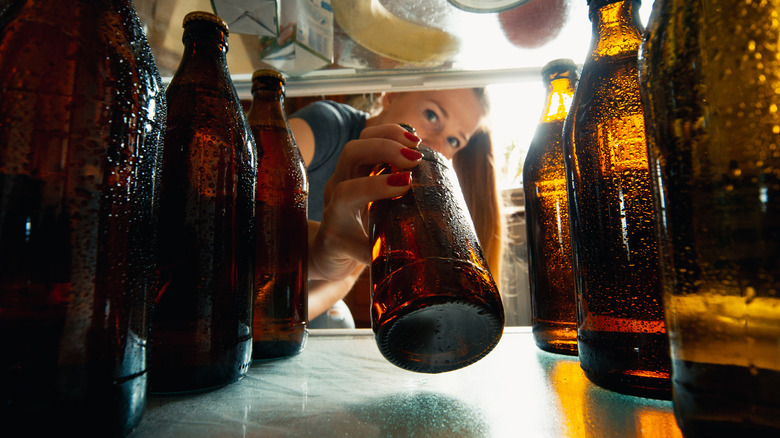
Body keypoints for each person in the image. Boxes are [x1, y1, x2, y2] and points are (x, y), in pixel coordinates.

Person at [290, 89, 505, 328]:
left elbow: (345, 278)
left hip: (294, 299)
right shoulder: (327, 124)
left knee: (340, 323)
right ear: (391, 95)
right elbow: (247, 200)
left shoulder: (400, 191)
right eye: (432, 115)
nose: (434, 145)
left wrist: (287, 318)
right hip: (251, 282)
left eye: (453, 140)